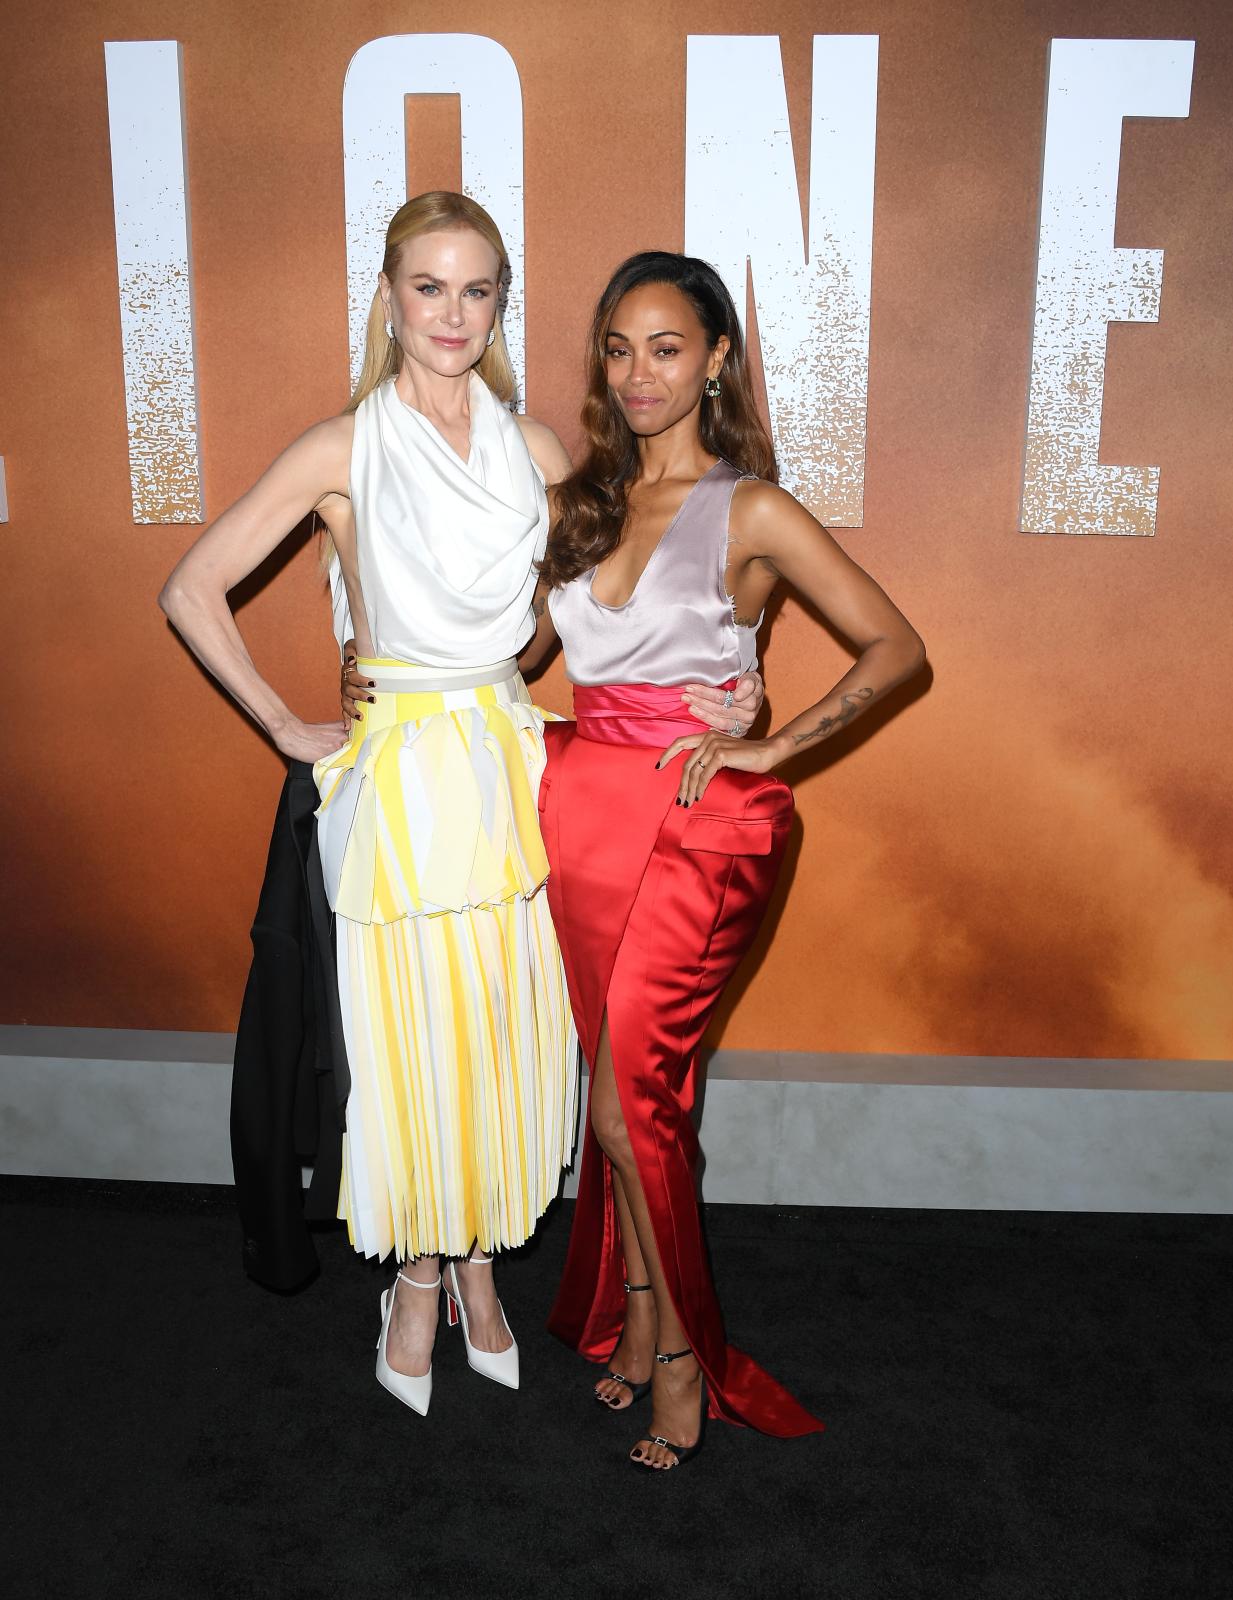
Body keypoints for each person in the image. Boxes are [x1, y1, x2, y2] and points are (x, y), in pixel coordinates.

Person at [161, 196, 760, 1415]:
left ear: (499, 305)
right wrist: (284, 723)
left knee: (502, 1033)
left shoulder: (535, 447)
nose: (451, 312)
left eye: (476, 289)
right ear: (389, 296)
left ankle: (481, 1261)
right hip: (398, 782)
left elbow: (624, 593)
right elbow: (192, 586)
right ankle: (419, 1275)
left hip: (507, 763)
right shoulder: (341, 446)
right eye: (428, 286)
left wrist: (736, 678)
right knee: (409, 1043)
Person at [533, 251, 926, 1469]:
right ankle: (638, 1312)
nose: (638, 373)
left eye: (666, 347)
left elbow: (895, 647)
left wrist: (772, 743)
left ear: (714, 360)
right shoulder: (582, 501)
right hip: (584, 816)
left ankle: (685, 1358)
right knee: (619, 1099)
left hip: (696, 825)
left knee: (626, 1102)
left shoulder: (749, 507)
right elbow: (522, 656)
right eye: (619, 348)